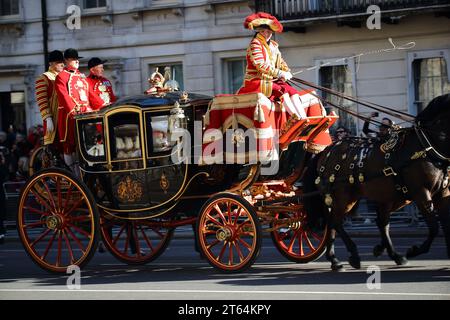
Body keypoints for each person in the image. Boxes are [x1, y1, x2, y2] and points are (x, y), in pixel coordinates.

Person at [237, 12, 306, 119]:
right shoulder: (255, 44)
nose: (266, 34)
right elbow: (261, 65)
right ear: (258, 32)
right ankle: (295, 118)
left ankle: (304, 118)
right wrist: (279, 73)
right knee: (281, 91)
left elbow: (280, 61)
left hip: (271, 79)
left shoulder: (273, 45)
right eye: (263, 31)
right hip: (256, 81)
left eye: (269, 31)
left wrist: (286, 71)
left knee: (292, 91)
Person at [55, 48, 92, 171]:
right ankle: (73, 174)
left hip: (84, 114)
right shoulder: (61, 76)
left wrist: (99, 107)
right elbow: (64, 96)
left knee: (83, 145)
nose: (76, 61)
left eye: (77, 59)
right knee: (69, 146)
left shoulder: (81, 76)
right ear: (66, 61)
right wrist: (73, 112)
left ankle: (82, 171)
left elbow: (89, 94)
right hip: (69, 115)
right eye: (73, 59)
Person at [35, 50, 65, 147]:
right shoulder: (43, 78)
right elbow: (42, 100)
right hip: (53, 118)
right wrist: (48, 118)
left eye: (62, 62)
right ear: (51, 63)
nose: (62, 64)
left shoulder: (65, 77)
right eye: (58, 62)